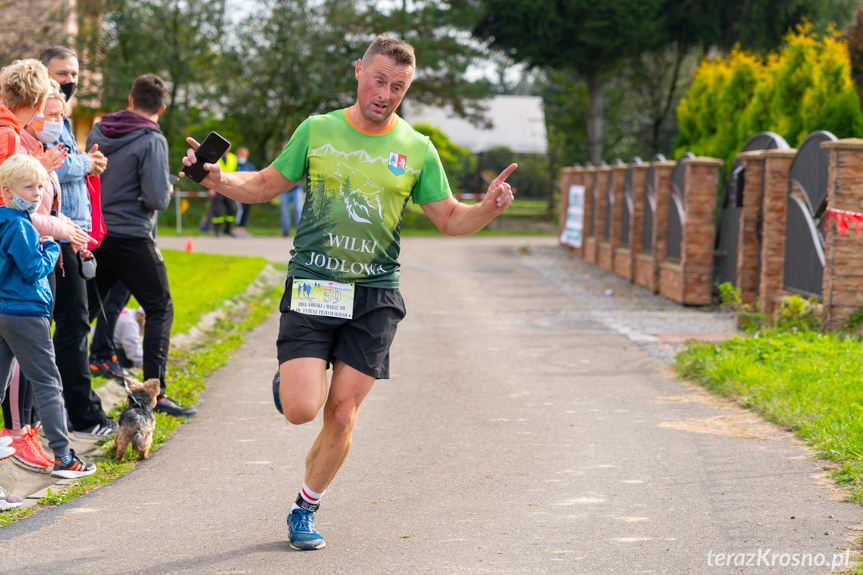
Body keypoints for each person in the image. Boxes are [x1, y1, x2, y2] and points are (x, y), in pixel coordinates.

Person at [181, 35, 517, 550]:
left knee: (342, 412)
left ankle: (305, 509)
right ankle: (297, 378)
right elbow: (267, 184)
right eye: (379, 80)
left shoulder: (416, 148)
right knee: (301, 410)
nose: (386, 93)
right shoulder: (318, 130)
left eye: (398, 87)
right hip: (315, 284)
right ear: (359, 71)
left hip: (374, 294)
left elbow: (449, 217)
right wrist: (217, 178)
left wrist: (489, 208)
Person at [86, 73, 196, 418]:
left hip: (96, 234)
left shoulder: (98, 130)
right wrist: (166, 189)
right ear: (161, 108)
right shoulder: (152, 139)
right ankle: (154, 394)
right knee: (160, 306)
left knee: (83, 316)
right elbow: (155, 198)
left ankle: (63, 392)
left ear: (131, 99)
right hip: (132, 235)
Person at [1, 79, 96, 471]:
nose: (38, 194)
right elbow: (31, 267)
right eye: (29, 186)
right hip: (25, 310)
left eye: (41, 186)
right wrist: (51, 248)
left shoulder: (7, 219)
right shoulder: (22, 227)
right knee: (47, 381)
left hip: (6, 310)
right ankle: (64, 455)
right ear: (6, 190)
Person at [40, 45, 115, 440]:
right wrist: (88, 163)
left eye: (74, 74)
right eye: (62, 73)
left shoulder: (61, 115)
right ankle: (83, 415)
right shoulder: (43, 116)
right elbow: (53, 162)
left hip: (71, 234)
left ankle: (59, 411)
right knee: (69, 327)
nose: (70, 80)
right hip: (56, 235)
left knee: (66, 326)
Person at [208, 150, 237, 237]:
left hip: (229, 187)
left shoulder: (233, 158)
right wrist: (211, 188)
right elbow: (209, 173)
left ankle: (227, 230)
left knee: (231, 209)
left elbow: (235, 173)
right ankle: (217, 231)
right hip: (217, 187)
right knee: (217, 211)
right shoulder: (214, 158)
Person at [234, 146, 255, 236]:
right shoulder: (235, 165)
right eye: (241, 154)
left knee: (246, 210)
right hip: (238, 191)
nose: (243, 156)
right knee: (241, 210)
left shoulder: (249, 166)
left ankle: (242, 228)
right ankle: (237, 228)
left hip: (248, 192)